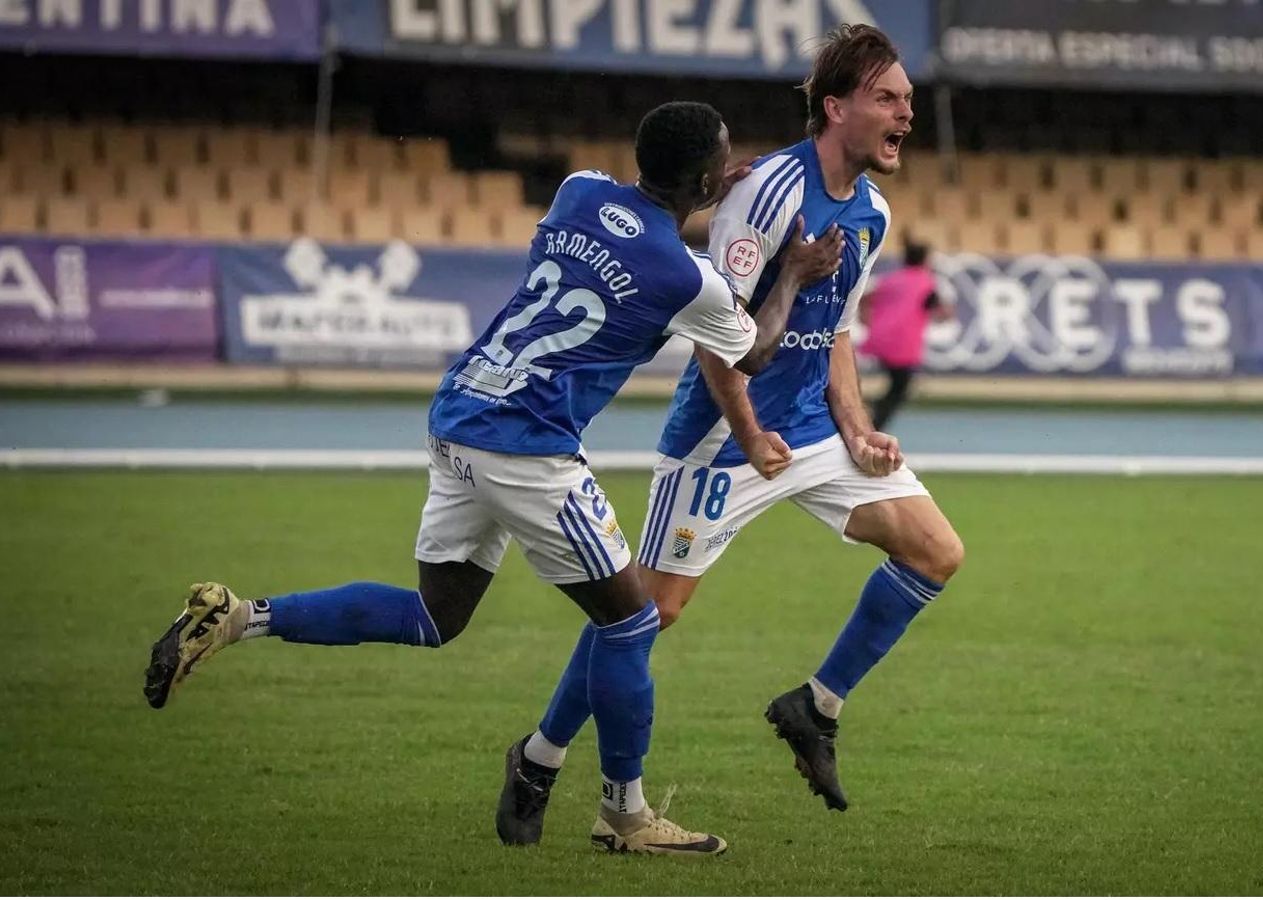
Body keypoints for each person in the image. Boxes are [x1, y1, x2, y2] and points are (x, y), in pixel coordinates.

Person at [141, 101, 845, 855]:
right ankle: (625, 814)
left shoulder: (580, 190)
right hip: (528, 449)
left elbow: (638, 226)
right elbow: (756, 350)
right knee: (632, 622)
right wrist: (793, 275)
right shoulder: (687, 278)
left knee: (434, 616)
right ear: (706, 176)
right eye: (723, 160)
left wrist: (698, 189)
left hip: (461, 411)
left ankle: (240, 616)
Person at [515, 24, 965, 815]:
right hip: (727, 438)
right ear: (835, 108)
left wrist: (855, 427)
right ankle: (538, 759)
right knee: (649, 614)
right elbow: (713, 336)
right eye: (888, 98)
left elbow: (835, 329)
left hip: (812, 432)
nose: (906, 114)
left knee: (935, 551)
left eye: (909, 101)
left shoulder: (872, 212)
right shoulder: (769, 193)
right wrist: (752, 435)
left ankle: (815, 708)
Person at [856, 237, 954, 430]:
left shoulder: (891, 278)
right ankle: (872, 424)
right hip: (902, 345)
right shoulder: (927, 283)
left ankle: (870, 416)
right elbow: (943, 313)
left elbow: (864, 299)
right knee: (900, 388)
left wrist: (866, 318)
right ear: (926, 260)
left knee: (896, 385)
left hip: (879, 339)